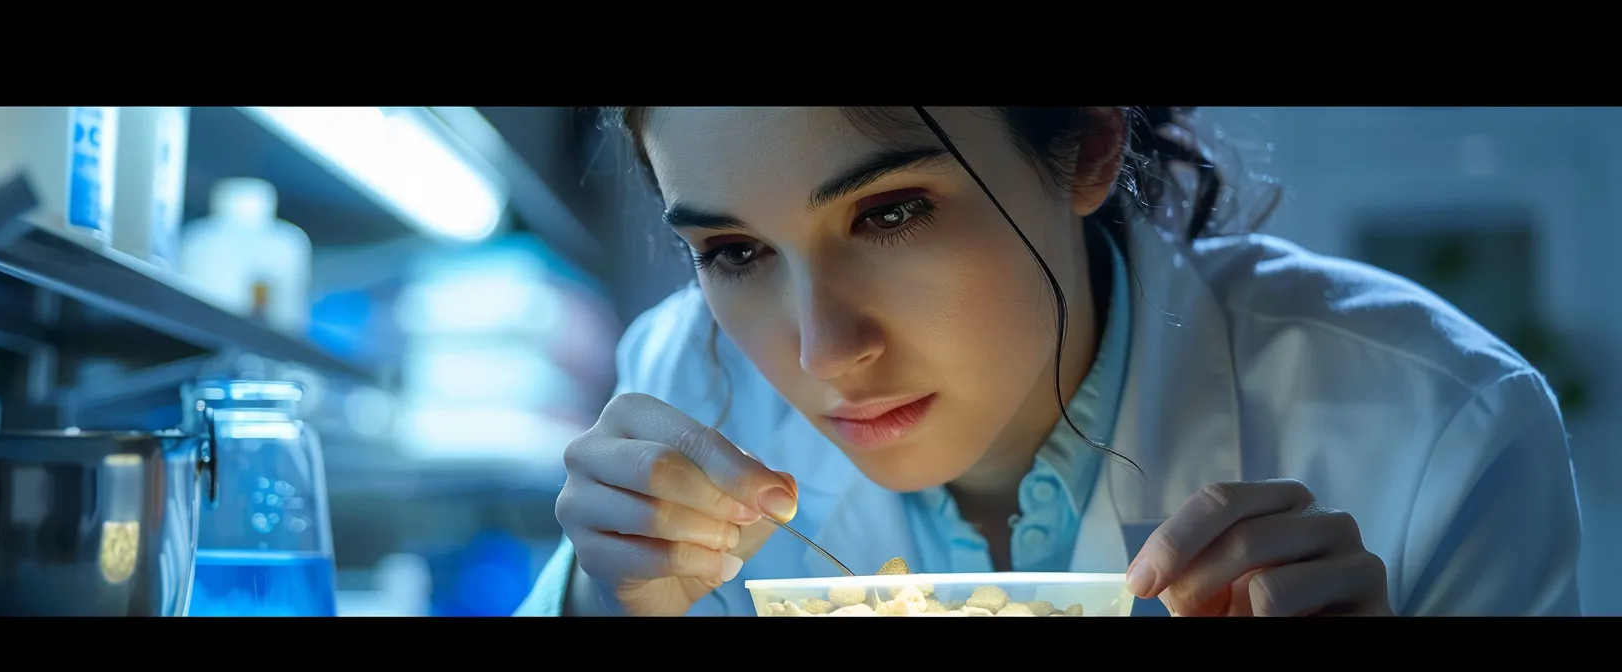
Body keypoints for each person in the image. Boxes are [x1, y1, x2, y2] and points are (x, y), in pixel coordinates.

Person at [515, 107, 1583, 617]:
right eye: (734, 251)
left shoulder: (1441, 424)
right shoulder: (685, 381)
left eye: (891, 212)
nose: (822, 351)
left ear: (1086, 148)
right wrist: (599, 606)